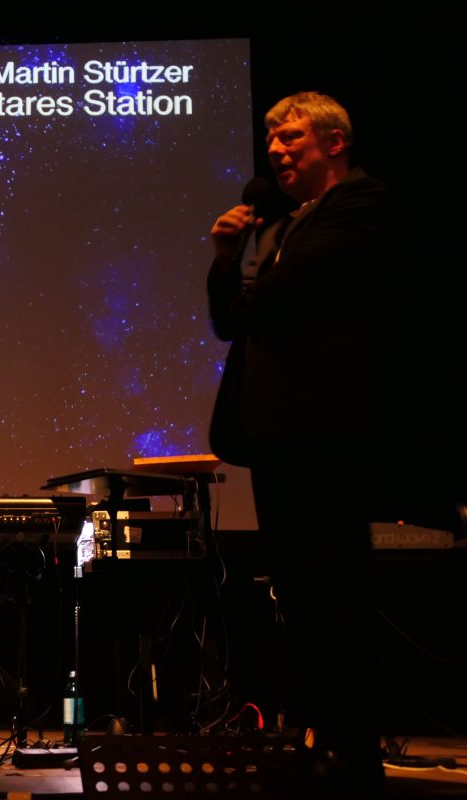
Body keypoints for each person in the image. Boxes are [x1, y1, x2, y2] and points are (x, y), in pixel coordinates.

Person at [207, 92, 397, 795]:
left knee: (336, 592)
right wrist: (226, 258)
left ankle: (356, 756)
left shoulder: (361, 203)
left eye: (291, 139)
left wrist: (254, 280)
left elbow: (285, 295)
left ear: (334, 142)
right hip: (276, 436)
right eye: (272, 141)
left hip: (326, 434)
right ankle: (319, 744)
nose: (276, 151)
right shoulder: (280, 224)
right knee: (300, 597)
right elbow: (229, 321)